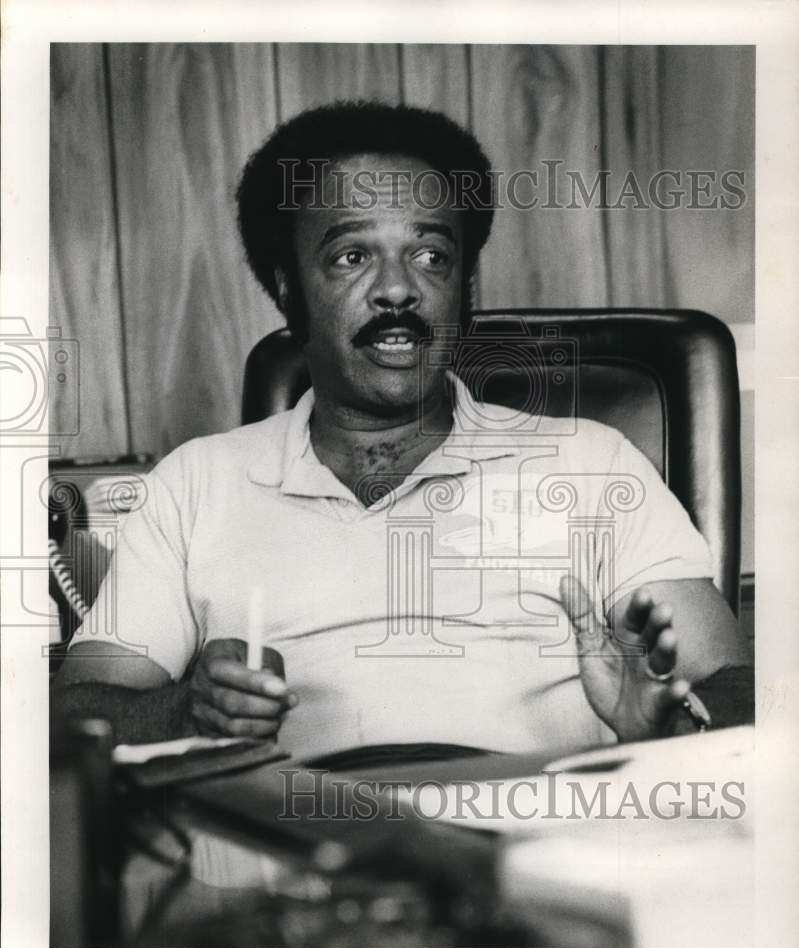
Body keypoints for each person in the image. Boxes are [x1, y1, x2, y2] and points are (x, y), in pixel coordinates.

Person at [52, 102, 752, 757]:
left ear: (464, 289)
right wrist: (186, 711)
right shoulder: (195, 484)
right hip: (293, 863)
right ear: (287, 289)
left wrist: (674, 721)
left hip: (545, 851)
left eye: (430, 256)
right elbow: (72, 719)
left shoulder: (592, 467)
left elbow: (735, 689)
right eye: (352, 256)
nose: (398, 290)